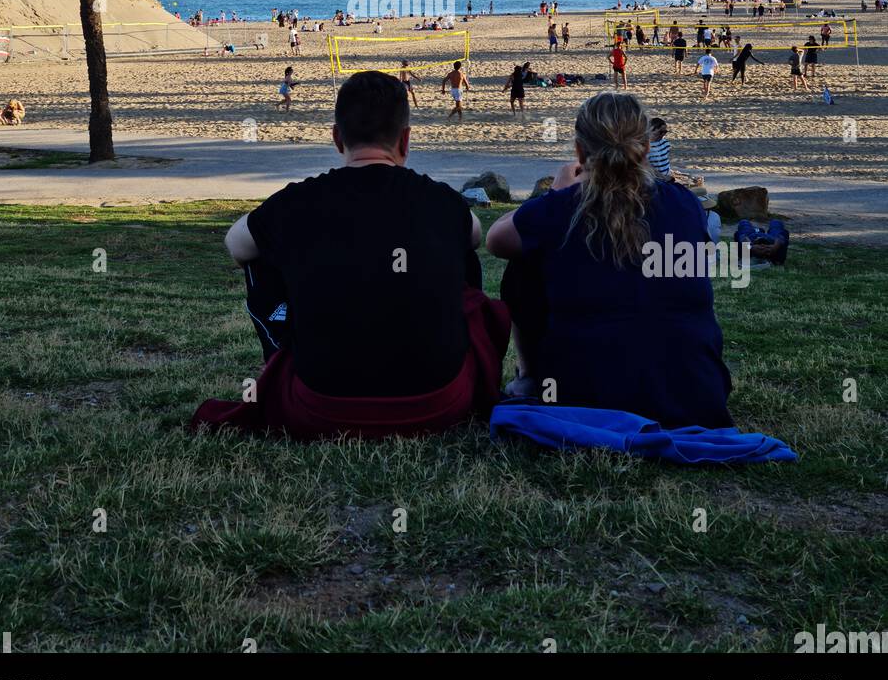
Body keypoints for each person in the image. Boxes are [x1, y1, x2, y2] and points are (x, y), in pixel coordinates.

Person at [193, 72, 510, 439]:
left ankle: (282, 353)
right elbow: (474, 234)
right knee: (463, 263)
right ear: (405, 140)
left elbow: (237, 245)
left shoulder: (298, 202)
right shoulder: (440, 201)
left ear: (336, 138)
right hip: (441, 404)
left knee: (259, 254)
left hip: (319, 409)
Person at [485, 92, 732, 427]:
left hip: (583, 396)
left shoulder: (561, 208)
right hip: (695, 394)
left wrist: (555, 194)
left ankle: (529, 376)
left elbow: (495, 240)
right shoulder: (683, 203)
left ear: (579, 151)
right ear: (645, 148)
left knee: (524, 262)